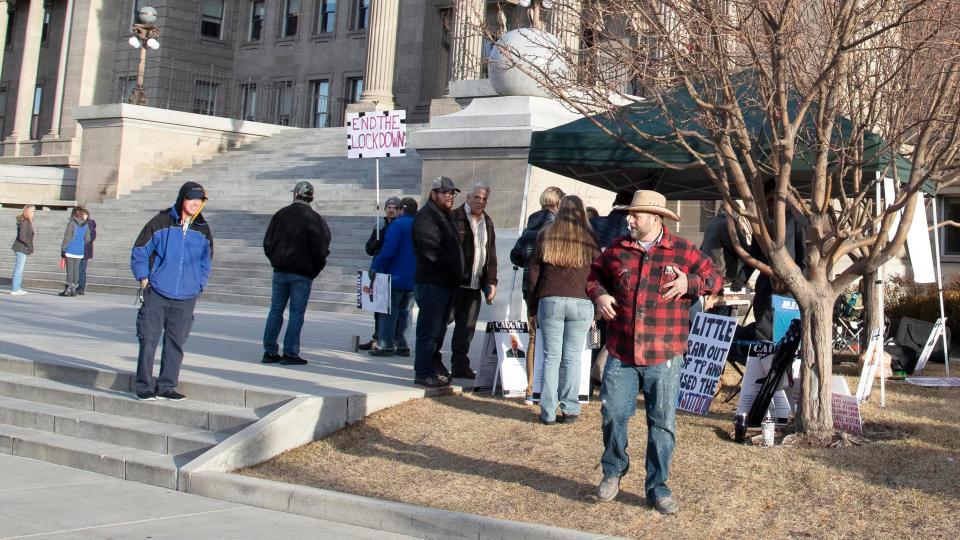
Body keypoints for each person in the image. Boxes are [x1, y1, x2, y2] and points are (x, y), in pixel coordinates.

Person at [587, 189, 721, 515]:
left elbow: (715, 277)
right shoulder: (618, 249)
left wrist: (689, 284)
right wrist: (600, 296)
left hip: (665, 354)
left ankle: (658, 487)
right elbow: (593, 276)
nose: (629, 219)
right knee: (613, 413)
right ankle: (614, 469)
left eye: (636, 215)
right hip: (621, 351)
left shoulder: (684, 251)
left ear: (656, 218)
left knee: (662, 424)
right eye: (629, 214)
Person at [130, 182, 213, 401]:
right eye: (191, 198)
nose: (195, 203)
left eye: (200, 200)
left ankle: (167, 385)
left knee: (176, 341)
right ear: (182, 198)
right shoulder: (160, 222)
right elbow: (140, 249)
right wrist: (144, 277)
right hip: (157, 291)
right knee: (148, 339)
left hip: (186, 295)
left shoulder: (202, 229)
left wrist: (199, 283)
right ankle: (144, 385)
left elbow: (206, 259)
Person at [528, 195, 600, 425]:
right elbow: (599, 272)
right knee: (572, 358)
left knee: (551, 357)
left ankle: (547, 411)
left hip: (550, 299)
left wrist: (531, 307)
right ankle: (570, 408)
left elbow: (534, 274)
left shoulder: (546, 234)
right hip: (581, 300)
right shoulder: (589, 238)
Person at [261, 181, 332, 366]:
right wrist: (315, 268)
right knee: (296, 313)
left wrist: (276, 260)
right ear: (312, 197)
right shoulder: (315, 219)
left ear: (295, 195)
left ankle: (269, 351)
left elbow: (267, 243)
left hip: (281, 270)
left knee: (276, 310)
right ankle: (290, 353)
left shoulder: (280, 215)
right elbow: (322, 248)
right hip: (302, 273)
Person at [734, 179, 807, 341]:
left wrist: (801, 283)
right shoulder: (762, 225)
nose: (770, 205)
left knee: (780, 334)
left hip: (790, 290)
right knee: (763, 329)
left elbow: (804, 254)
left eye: (773, 200)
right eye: (767, 201)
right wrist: (740, 279)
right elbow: (753, 254)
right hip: (765, 289)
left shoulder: (796, 220)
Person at [510, 186, 564, 403]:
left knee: (533, 337)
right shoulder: (556, 228)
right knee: (553, 339)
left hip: (528, 286)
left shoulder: (529, 226)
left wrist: (526, 263)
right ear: (559, 203)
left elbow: (515, 255)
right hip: (549, 286)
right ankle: (548, 389)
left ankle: (530, 388)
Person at [411, 176, 464, 388]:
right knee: (429, 331)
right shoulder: (426, 217)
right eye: (445, 192)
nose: (450, 196)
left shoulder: (443, 216)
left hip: (445, 283)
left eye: (452, 193)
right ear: (433, 194)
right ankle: (423, 372)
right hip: (433, 283)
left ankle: (433, 365)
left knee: (438, 330)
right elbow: (431, 251)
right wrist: (452, 266)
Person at [449, 182, 497, 379]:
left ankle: (460, 365)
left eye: (484, 198)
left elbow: (491, 254)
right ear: (468, 197)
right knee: (441, 324)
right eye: (477, 197)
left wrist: (492, 281)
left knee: (466, 329)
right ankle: (433, 362)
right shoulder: (453, 218)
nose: (481, 201)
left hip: (475, 285)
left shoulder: (488, 221)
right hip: (454, 284)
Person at [369, 197, 419, 357]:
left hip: (395, 276)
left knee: (388, 312)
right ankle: (403, 345)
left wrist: (376, 266)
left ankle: (386, 344)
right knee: (406, 312)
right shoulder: (419, 225)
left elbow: (388, 251)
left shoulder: (397, 225)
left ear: (401, 210)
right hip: (413, 278)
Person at [359, 196, 402, 352]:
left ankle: (393, 339)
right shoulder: (380, 225)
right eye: (388, 207)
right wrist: (376, 243)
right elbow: (369, 249)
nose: (390, 210)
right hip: (379, 270)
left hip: (394, 271)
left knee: (393, 309)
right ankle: (377, 337)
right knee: (378, 307)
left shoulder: (399, 226)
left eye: (394, 207)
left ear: (399, 210)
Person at [59, 207, 90, 297]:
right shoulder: (86, 225)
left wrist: (63, 249)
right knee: (76, 270)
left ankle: (68, 288)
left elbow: (67, 237)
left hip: (70, 249)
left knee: (70, 270)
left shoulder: (71, 223)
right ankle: (74, 288)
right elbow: (88, 238)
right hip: (80, 250)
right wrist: (80, 243)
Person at [10, 204, 35, 295]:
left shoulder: (26, 221)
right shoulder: (25, 221)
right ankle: (15, 289)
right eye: (32, 211)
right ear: (28, 211)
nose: (33, 213)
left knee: (19, 268)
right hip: (21, 247)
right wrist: (28, 245)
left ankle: (17, 287)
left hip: (22, 247)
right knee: (19, 269)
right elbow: (22, 236)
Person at [77, 208, 97, 295]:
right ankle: (76, 286)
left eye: (85, 214)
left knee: (82, 269)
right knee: (76, 269)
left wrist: (83, 241)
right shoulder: (77, 223)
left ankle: (81, 287)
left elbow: (92, 236)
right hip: (77, 249)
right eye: (82, 214)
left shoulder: (90, 224)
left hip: (85, 250)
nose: (83, 216)